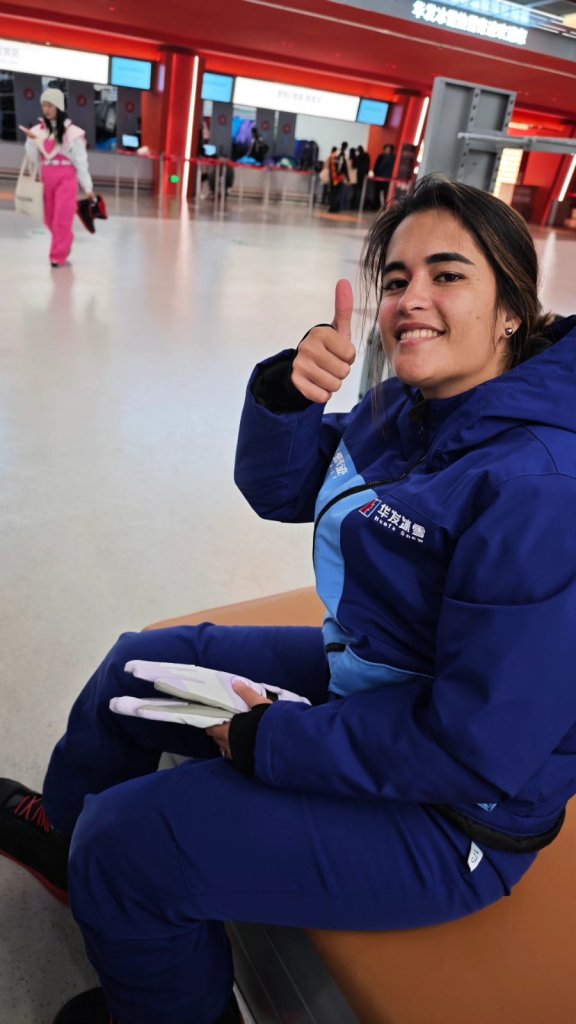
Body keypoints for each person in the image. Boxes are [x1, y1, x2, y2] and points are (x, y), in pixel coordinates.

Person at [2, 174, 576, 1024]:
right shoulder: (414, 409)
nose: (411, 299)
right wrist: (289, 397)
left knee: (131, 843)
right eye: (396, 279)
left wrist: (272, 740)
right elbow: (284, 487)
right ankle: (66, 841)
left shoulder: (542, 488)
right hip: (379, 678)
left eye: (448, 274)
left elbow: (474, 748)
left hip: (454, 816)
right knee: (139, 666)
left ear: (512, 311)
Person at [20, 87, 95, 268]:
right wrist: (31, 141)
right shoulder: (38, 130)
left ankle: (57, 256)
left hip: (66, 178)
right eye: (44, 105)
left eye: (50, 105)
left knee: (62, 217)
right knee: (49, 217)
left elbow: (81, 162)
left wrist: (88, 187)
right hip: (47, 178)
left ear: (59, 107)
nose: (46, 109)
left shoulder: (73, 132)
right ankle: (65, 239)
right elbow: (34, 158)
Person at [373, 142, 395, 207]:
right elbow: (376, 166)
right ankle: (376, 205)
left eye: (388, 149)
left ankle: (385, 206)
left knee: (386, 192)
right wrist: (375, 173)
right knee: (377, 192)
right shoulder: (381, 156)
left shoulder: (392, 158)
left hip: (387, 178)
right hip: (379, 177)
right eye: (386, 149)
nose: (387, 150)